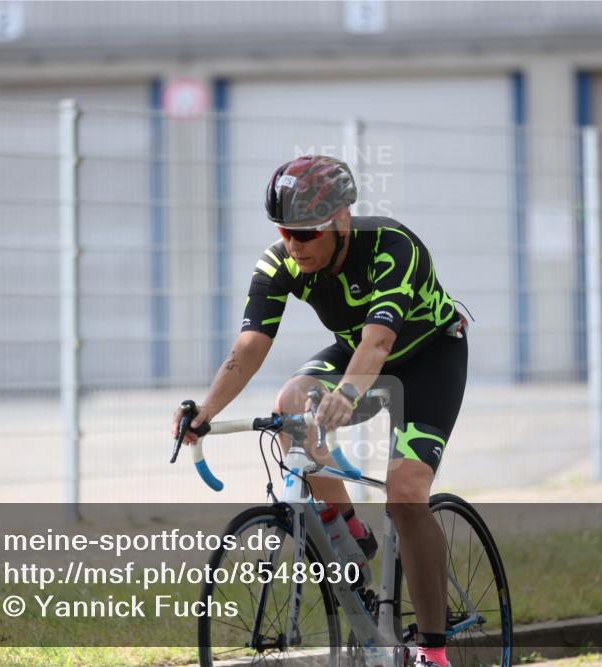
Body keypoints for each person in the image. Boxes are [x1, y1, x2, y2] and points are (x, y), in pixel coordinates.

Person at [172, 155, 468, 667]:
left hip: (428, 358)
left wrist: (348, 396)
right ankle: (347, 531)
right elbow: (249, 346)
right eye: (286, 231)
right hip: (358, 353)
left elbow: (378, 344)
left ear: (342, 222)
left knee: (405, 493)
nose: (294, 245)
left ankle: (434, 650)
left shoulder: (394, 248)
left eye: (307, 234)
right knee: (289, 404)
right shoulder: (281, 262)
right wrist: (204, 412)